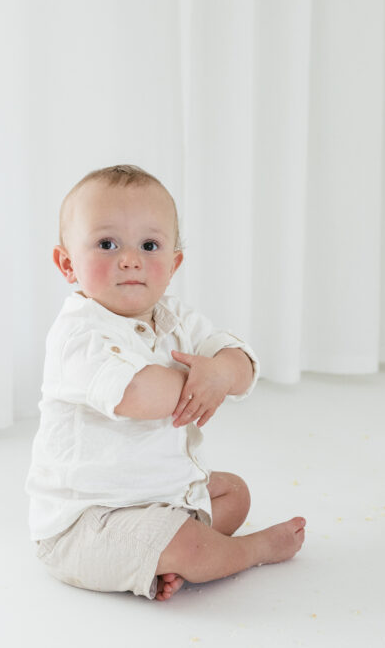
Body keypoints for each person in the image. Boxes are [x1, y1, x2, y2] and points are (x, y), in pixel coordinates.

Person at [26, 164, 306, 601]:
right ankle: (246, 551)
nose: (130, 258)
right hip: (87, 522)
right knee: (189, 543)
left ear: (173, 264)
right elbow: (137, 393)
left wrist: (220, 372)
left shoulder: (176, 318)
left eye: (149, 245)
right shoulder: (79, 334)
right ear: (67, 264)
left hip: (160, 497)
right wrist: (202, 378)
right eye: (107, 244)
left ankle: (166, 558)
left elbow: (241, 363)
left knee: (234, 492)